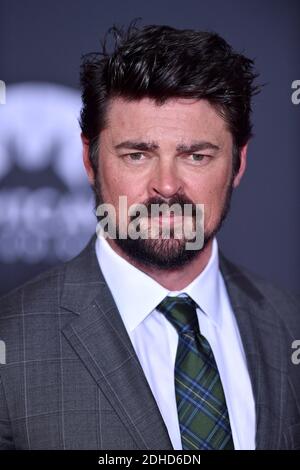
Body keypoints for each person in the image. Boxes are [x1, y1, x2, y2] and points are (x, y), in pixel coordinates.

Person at [0, 22, 299, 451]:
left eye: (196, 155)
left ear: (238, 163)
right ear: (89, 159)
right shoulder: (12, 345)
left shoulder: (289, 324)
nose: (167, 185)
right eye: (137, 154)